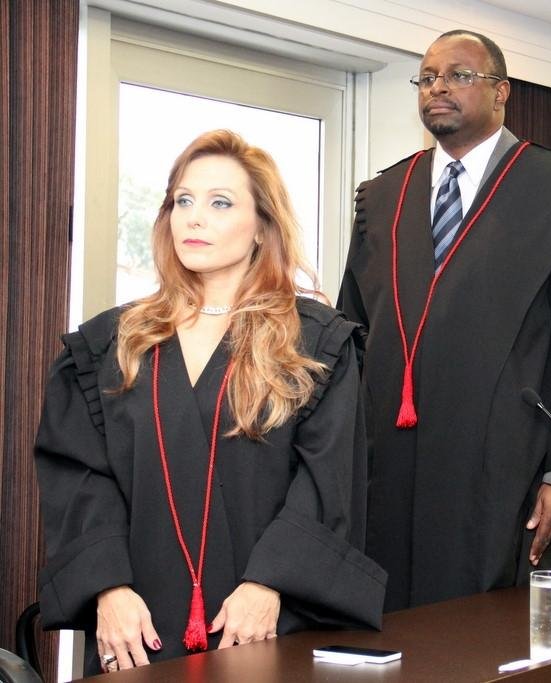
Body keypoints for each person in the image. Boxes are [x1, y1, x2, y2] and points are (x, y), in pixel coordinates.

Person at [34, 130, 385, 675]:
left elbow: (328, 480)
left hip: (263, 623)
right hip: (136, 627)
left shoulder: (314, 345)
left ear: (262, 226)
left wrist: (270, 583)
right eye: (183, 201)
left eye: (220, 203)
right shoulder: (112, 344)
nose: (194, 218)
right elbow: (80, 478)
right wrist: (108, 588)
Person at [338, 30, 551, 611]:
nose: (438, 87)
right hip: (391, 464)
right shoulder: (383, 195)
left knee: (487, 631)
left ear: (502, 92)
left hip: (507, 465)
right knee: (393, 624)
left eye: (459, 75)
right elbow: (356, 328)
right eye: (427, 78)